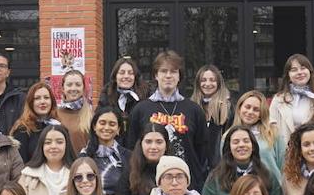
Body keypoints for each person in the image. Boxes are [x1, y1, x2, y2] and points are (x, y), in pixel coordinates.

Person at [125, 50, 210, 186]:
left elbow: (202, 152)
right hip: (149, 185)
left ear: (179, 76)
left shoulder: (194, 110)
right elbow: (132, 148)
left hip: (187, 185)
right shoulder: (141, 109)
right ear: (156, 75)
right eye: (164, 71)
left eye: (173, 71)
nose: (168, 76)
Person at [202, 126, 284, 195]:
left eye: (246, 141)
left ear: (253, 146)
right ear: (229, 147)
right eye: (236, 142)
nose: (241, 145)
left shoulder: (268, 176)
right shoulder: (216, 178)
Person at [268, 54, 314, 159]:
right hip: (285, 154)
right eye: (294, 70)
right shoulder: (278, 100)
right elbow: (271, 128)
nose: (299, 72)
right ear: (288, 76)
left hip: (312, 153)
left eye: (303, 68)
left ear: (310, 71)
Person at [116, 124, 168, 195]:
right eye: (148, 142)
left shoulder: (175, 171)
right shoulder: (130, 173)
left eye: (159, 142)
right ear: (141, 144)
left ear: (166, 145)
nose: (153, 147)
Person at [230, 90, 282, 179]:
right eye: (247, 107)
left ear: (261, 114)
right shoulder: (229, 136)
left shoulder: (273, 134)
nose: (250, 112)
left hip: (271, 188)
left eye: (256, 109)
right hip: (239, 188)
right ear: (239, 108)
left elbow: (283, 164)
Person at [190, 64, 234, 170]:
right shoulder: (191, 107)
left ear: (218, 83)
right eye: (203, 80)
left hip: (221, 168)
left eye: (212, 80)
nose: (208, 84)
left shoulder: (227, 108)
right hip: (196, 167)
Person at [10, 81, 63, 162]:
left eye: (46, 97)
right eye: (37, 98)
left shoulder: (57, 125)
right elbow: (20, 163)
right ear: (31, 102)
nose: (42, 102)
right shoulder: (23, 129)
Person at [100, 55, 148, 137]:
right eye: (122, 73)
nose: (126, 76)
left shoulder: (144, 97)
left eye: (130, 73)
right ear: (115, 76)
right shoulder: (106, 96)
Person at [56, 69, 93, 154]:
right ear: (63, 88)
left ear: (83, 88)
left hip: (84, 165)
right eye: (69, 85)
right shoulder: (55, 114)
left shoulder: (91, 115)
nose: (73, 88)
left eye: (78, 84)